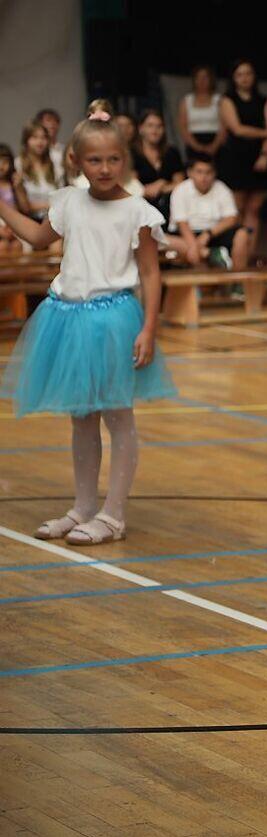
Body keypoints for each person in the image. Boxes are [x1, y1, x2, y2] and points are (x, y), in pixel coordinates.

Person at [0, 112, 176, 545]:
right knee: (81, 418)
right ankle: (82, 506)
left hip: (113, 320)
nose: (105, 168)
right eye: (95, 160)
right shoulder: (68, 202)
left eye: (113, 159)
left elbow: (150, 273)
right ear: (76, 160)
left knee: (118, 416)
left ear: (124, 159)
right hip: (67, 317)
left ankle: (113, 514)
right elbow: (38, 238)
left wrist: (148, 328)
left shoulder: (137, 211)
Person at [218, 59, 267, 257]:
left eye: (248, 73)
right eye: (240, 74)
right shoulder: (227, 100)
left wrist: (265, 155)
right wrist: (264, 133)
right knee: (237, 208)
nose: (244, 78)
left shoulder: (264, 101)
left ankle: (250, 253)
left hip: (258, 158)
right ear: (233, 78)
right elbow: (237, 129)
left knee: (254, 209)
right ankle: (236, 251)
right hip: (235, 158)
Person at [169, 153, 250, 269]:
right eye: (199, 172)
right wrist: (194, 246)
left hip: (214, 233)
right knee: (164, 240)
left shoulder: (222, 189)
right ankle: (210, 254)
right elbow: (182, 224)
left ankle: (237, 277)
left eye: (208, 172)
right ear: (190, 173)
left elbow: (231, 218)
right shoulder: (180, 190)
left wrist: (207, 234)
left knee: (242, 234)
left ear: (214, 173)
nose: (204, 177)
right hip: (186, 235)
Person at [133, 110, 185, 218]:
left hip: (170, 206)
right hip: (140, 206)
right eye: (150, 126)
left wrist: (161, 185)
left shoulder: (172, 152)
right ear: (141, 129)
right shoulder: (132, 153)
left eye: (159, 126)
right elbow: (133, 186)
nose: (155, 130)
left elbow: (180, 184)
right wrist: (149, 189)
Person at [178, 65, 226, 158]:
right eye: (198, 77)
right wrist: (197, 146)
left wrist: (215, 145)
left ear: (211, 79)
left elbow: (224, 126)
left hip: (216, 143)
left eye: (205, 77)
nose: (202, 80)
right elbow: (183, 127)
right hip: (193, 143)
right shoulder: (186, 101)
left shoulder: (219, 100)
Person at [16, 122, 57, 220]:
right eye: (35, 137)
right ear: (26, 140)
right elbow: (23, 206)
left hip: (55, 219)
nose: (40, 142)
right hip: (31, 220)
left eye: (43, 137)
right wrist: (48, 205)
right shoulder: (18, 164)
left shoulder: (54, 163)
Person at [0, 144, 31, 250]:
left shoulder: (14, 184)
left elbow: (25, 209)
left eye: (5, 161)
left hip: (14, 225)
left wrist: (18, 188)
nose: (1, 166)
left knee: (17, 246)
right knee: (2, 246)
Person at [34, 108, 64, 183]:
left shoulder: (64, 150)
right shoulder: (34, 151)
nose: (52, 124)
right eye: (48, 120)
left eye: (56, 121)